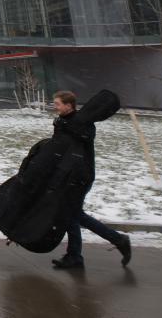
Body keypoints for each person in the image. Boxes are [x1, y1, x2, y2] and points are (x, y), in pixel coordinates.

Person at [49, 90, 132, 270]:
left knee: (74, 215)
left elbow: (82, 137)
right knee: (72, 215)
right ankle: (75, 257)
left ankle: (118, 240)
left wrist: (64, 126)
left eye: (57, 104)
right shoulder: (66, 122)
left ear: (68, 105)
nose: (54, 107)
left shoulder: (84, 124)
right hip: (69, 175)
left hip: (80, 177)